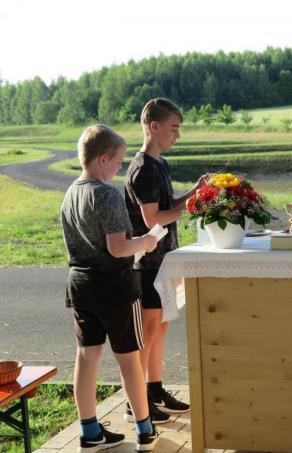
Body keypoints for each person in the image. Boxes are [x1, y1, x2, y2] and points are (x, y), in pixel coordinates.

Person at [60, 124, 160, 452]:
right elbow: (118, 248)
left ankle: (90, 431)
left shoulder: (71, 192)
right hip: (115, 289)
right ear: (103, 159)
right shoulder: (106, 193)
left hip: (80, 286)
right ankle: (145, 431)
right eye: (118, 161)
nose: (120, 167)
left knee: (87, 357)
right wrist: (144, 242)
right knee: (129, 359)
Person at [123, 98, 208, 424]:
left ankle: (154, 388)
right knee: (148, 329)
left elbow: (167, 204)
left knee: (161, 326)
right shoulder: (143, 168)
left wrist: (193, 194)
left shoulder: (159, 164)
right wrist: (188, 206)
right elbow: (152, 219)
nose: (178, 135)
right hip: (147, 263)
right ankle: (136, 400)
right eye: (174, 128)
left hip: (165, 259)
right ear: (154, 127)